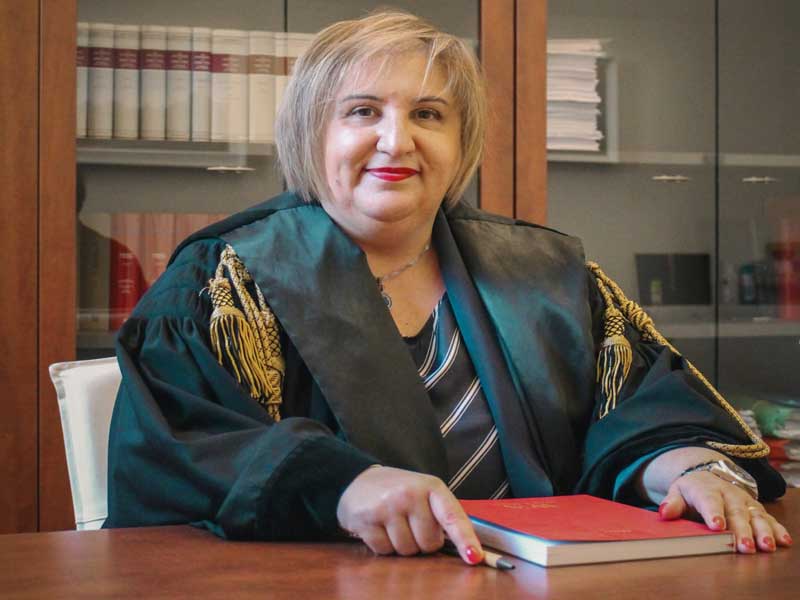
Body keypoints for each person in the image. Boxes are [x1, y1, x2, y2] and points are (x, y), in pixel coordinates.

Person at [105, 11, 791, 563]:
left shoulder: (548, 274)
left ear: (461, 142)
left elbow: (639, 406)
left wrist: (682, 465)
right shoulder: (225, 285)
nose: (396, 140)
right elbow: (180, 454)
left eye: (429, 114)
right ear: (312, 135)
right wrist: (338, 484)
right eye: (363, 111)